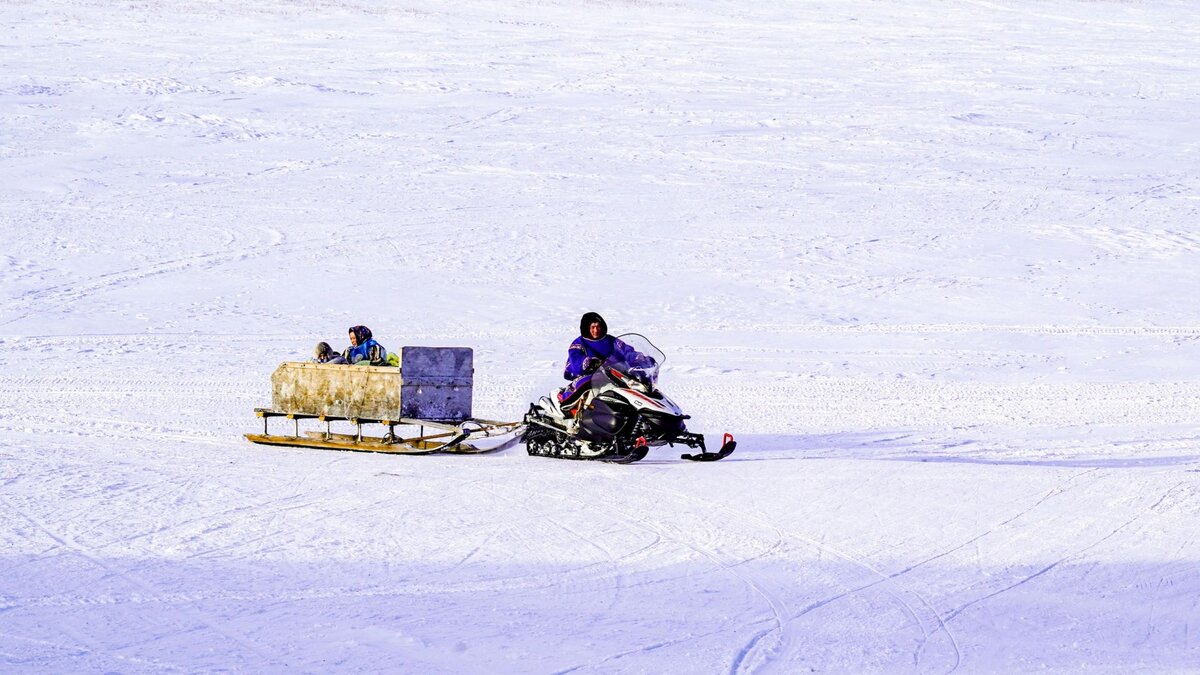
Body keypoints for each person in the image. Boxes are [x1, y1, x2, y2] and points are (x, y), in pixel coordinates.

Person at [557, 311, 651, 410]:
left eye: (598, 326)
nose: (596, 330)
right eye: (593, 327)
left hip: (612, 373)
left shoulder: (610, 340)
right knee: (585, 383)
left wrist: (640, 358)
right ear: (586, 328)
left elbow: (626, 350)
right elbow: (576, 359)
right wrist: (589, 362)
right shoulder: (579, 343)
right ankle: (567, 404)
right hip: (588, 374)